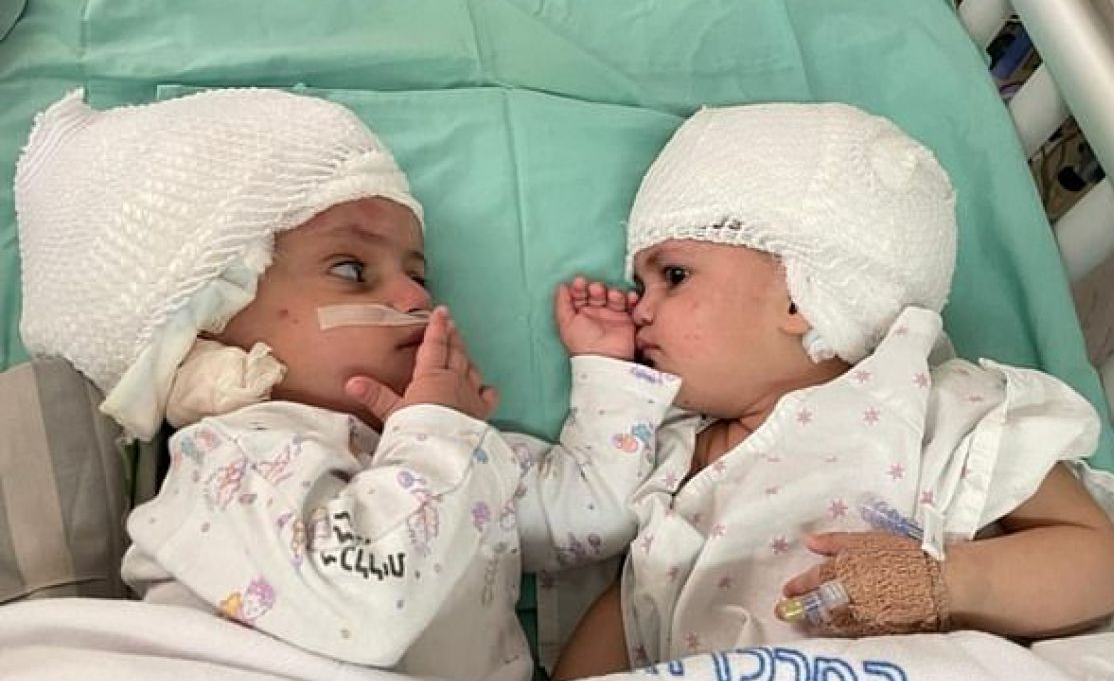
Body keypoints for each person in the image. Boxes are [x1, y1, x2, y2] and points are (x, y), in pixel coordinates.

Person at [13, 88, 684, 681]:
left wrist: (606, 372)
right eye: (350, 270)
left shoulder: (456, 449)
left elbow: (594, 513)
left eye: (421, 273)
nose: (415, 294)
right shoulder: (232, 459)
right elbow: (363, 607)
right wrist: (439, 435)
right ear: (208, 323)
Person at [545, 102, 1114, 679]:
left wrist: (946, 583)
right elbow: (631, 606)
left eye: (673, 276)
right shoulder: (672, 454)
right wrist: (603, 366)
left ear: (801, 294)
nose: (641, 308)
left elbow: (1099, 565)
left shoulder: (932, 405)